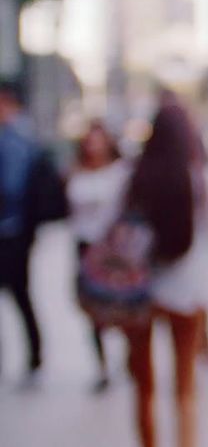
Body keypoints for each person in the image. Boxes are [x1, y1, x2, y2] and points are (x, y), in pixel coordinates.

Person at [118, 98, 208, 447]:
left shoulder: (134, 177)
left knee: (144, 386)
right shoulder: (205, 179)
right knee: (185, 385)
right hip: (188, 291)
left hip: (141, 291)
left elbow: (118, 235)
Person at [0, 77, 66, 389]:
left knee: (21, 296)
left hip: (13, 233)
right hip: (15, 231)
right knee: (21, 297)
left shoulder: (16, 138)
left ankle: (34, 359)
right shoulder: (23, 136)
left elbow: (12, 188)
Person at [66, 118, 131, 393]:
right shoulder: (76, 172)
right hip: (84, 245)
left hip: (112, 248)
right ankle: (102, 365)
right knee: (92, 308)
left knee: (119, 305)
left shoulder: (120, 172)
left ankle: (129, 357)